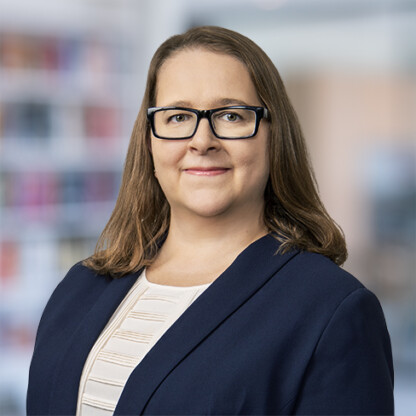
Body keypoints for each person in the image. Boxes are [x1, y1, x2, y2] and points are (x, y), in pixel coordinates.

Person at [27, 26, 394, 415]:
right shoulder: (81, 287)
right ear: (149, 140)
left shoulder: (331, 309)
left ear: (274, 136)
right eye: (178, 116)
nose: (202, 141)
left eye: (232, 115)